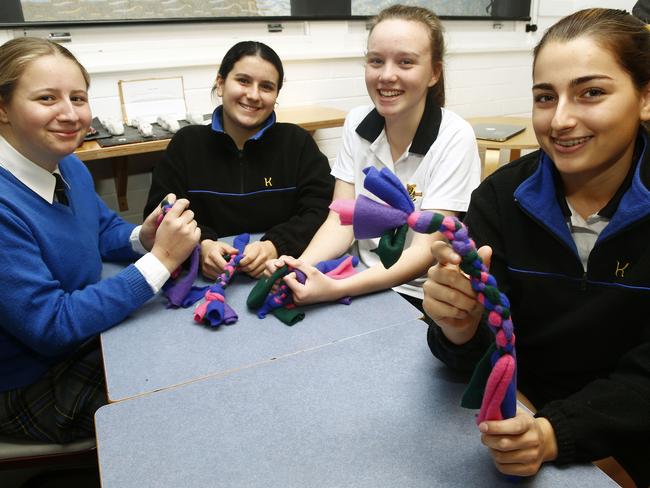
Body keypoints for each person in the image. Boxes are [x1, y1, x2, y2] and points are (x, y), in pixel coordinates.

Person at [423, 8, 650, 487]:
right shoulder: (500, 199)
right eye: (545, 97)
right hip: (520, 418)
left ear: (645, 97)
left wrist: (555, 433)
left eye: (591, 92)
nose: (561, 120)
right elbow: (483, 356)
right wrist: (457, 326)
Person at [0, 37, 200, 443]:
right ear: (2, 108)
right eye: (46, 98)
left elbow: (102, 229)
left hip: (77, 341)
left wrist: (145, 236)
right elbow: (52, 324)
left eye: (78, 97)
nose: (70, 114)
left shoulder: (68, 166)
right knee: (181, 405)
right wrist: (160, 261)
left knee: (187, 352)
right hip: (28, 383)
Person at [268, 4, 481, 307]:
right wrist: (301, 266)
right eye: (376, 61)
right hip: (355, 276)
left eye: (406, 62)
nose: (387, 76)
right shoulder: (356, 123)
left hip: (421, 295)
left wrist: (336, 289)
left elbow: (424, 252)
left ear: (434, 72)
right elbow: (341, 221)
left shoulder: (455, 136)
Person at [143, 41, 334, 279]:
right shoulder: (186, 144)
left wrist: (274, 245)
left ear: (276, 95)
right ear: (221, 84)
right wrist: (201, 246)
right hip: (203, 280)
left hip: (279, 274)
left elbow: (323, 210)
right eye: (243, 81)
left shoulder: (297, 143)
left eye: (266, 87)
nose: (253, 95)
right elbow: (159, 214)